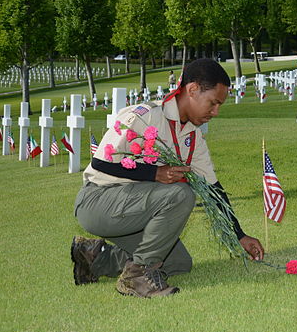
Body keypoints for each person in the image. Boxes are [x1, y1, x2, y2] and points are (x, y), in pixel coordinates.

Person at [71, 58, 264, 298]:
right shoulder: (146, 115)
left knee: (178, 263)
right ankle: (136, 277)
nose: (215, 112)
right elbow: (100, 162)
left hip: (133, 212)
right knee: (181, 194)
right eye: (213, 103)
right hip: (98, 203)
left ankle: (95, 257)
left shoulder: (192, 137)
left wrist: (240, 235)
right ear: (192, 89)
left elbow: (214, 190)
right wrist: (154, 173)